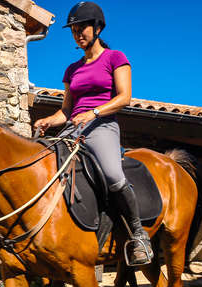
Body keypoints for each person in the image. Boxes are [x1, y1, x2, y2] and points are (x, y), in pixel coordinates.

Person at [33, 1, 152, 266]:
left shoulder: (115, 58)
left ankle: (139, 233)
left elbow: (124, 98)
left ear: (97, 27)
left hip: (103, 126)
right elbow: (65, 110)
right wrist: (48, 121)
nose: (77, 33)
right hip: (73, 127)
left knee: (112, 174)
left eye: (82, 27)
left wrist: (95, 113)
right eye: (73, 29)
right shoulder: (72, 70)